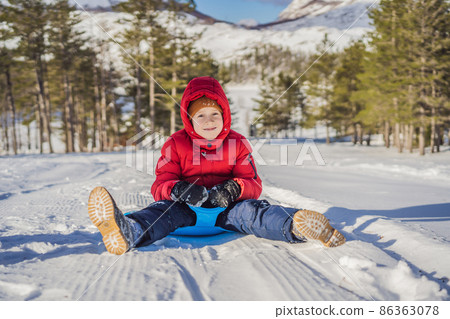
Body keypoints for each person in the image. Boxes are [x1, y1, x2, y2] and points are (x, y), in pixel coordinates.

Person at [88, 76, 345, 255]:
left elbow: (253, 183)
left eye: (215, 114)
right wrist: (178, 190)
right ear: (190, 119)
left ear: (225, 116)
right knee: (159, 212)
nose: (209, 121)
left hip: (228, 212)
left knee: (255, 213)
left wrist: (234, 189)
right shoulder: (175, 144)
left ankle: (297, 226)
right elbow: (160, 184)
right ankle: (129, 231)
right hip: (184, 211)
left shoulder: (238, 143)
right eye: (201, 115)